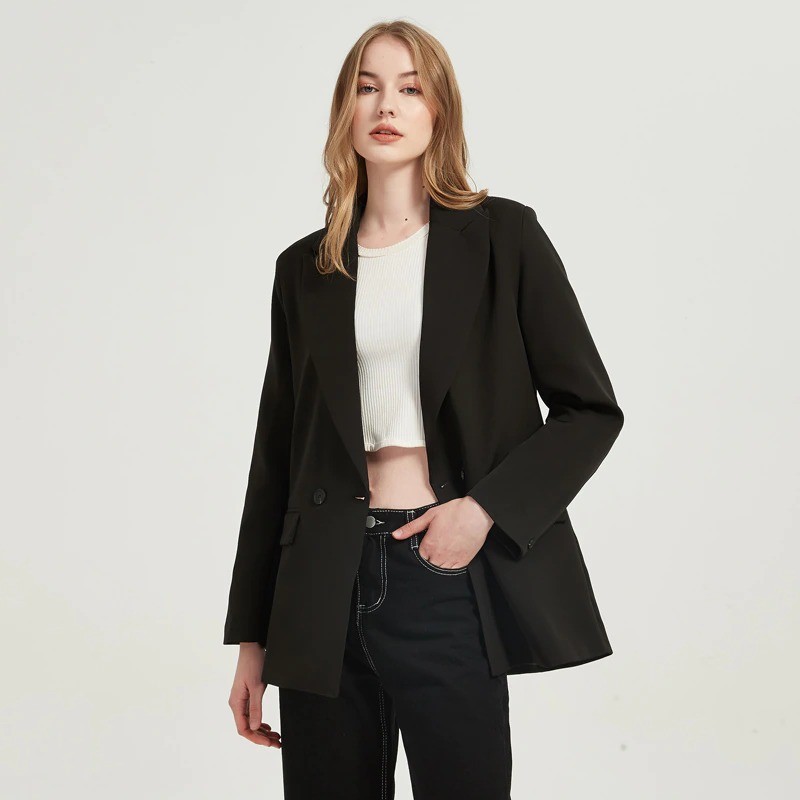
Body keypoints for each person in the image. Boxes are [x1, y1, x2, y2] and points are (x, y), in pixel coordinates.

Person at [224, 19, 624, 800]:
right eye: (368, 87)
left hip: (440, 570)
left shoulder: (503, 236)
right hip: (318, 588)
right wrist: (252, 636)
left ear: (439, 110)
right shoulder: (306, 268)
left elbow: (589, 410)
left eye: (410, 89)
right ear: (344, 110)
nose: (387, 105)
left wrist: (483, 512)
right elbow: (276, 456)